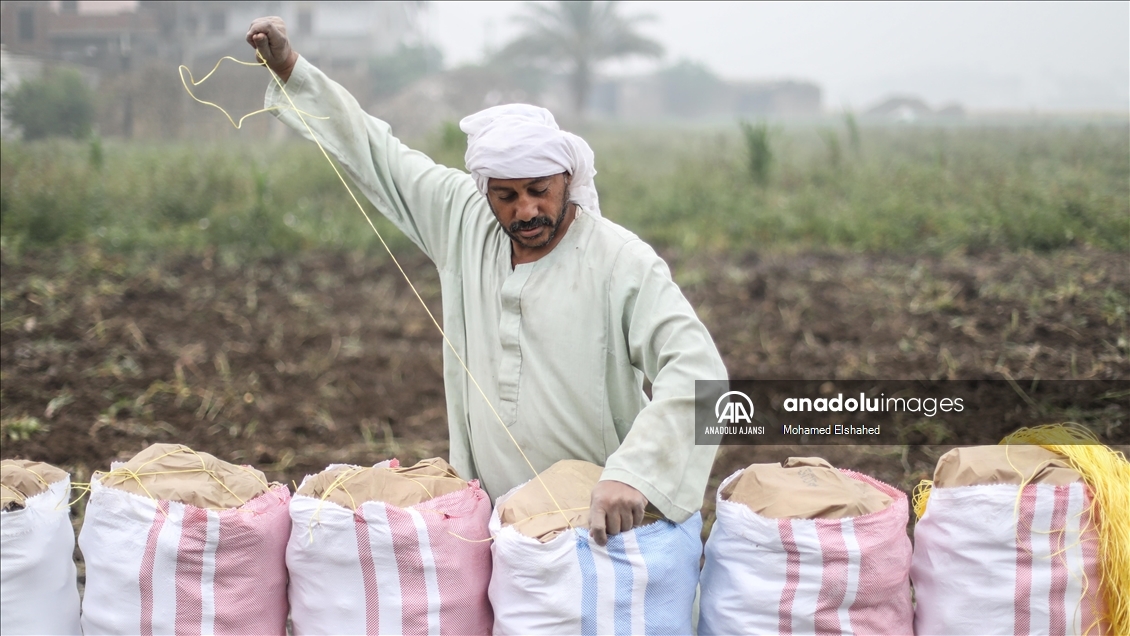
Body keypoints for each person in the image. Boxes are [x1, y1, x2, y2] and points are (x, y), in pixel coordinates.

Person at [246, 17, 727, 546]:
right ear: (485, 190)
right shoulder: (464, 221)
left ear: (567, 178)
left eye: (540, 190)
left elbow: (701, 374)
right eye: (507, 196)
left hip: (597, 531)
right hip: (497, 534)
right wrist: (293, 69)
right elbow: (376, 152)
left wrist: (633, 473)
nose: (526, 210)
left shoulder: (621, 261)